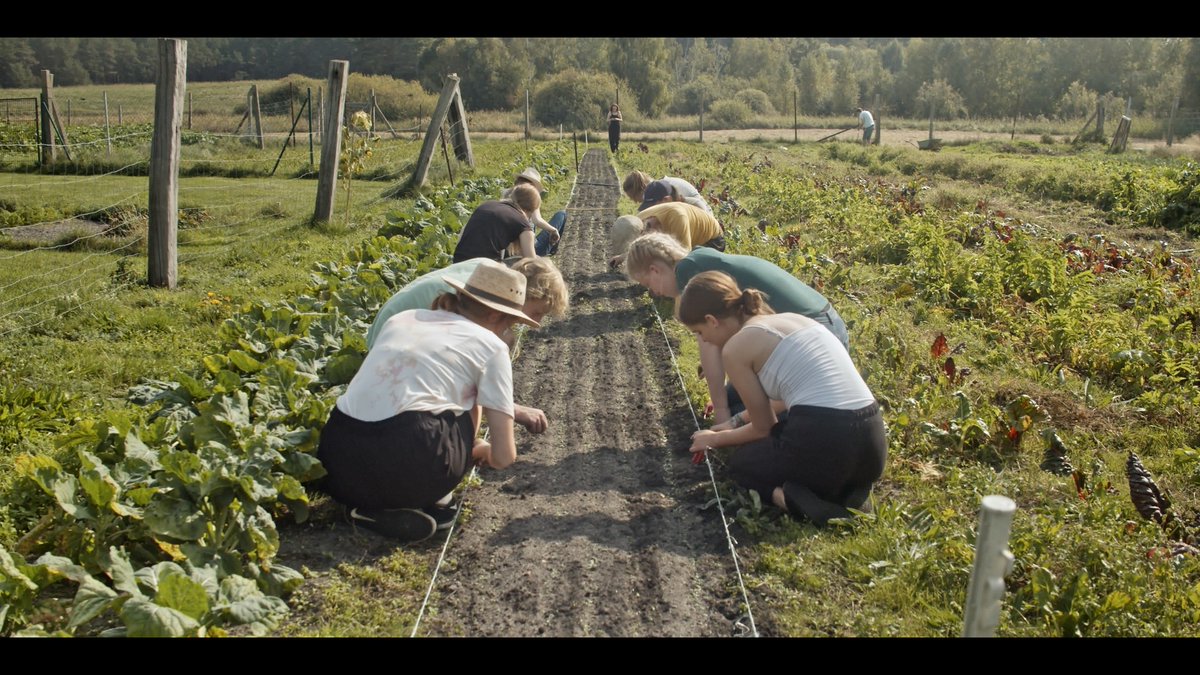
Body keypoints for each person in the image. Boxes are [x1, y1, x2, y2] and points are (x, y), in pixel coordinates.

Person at [317, 260, 540, 542]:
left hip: (336, 461)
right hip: (413, 460)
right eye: (513, 323)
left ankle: (370, 509)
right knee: (469, 400)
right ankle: (436, 499)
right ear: (498, 316)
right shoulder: (490, 345)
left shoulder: (404, 318)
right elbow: (505, 456)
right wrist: (480, 450)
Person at [679, 271, 886, 527]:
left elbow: (764, 428)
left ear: (711, 320)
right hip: (873, 445)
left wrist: (714, 439)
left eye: (699, 332)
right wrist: (734, 423)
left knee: (742, 464)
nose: (703, 340)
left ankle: (796, 501)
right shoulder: (792, 320)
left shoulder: (736, 349)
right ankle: (848, 492)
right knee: (787, 441)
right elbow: (798, 398)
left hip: (831, 439)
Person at [624, 232, 848, 424]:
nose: (652, 292)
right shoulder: (697, 259)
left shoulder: (689, 273)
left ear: (654, 270)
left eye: (647, 284)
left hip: (815, 336)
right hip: (826, 323)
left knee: (740, 413)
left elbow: (709, 347)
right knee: (735, 398)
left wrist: (722, 413)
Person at [366, 256, 570, 433]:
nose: (537, 323)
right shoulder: (480, 303)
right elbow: (468, 371)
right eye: (537, 313)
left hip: (388, 336)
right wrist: (512, 409)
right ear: (526, 294)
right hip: (389, 358)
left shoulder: (489, 275)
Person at [606, 202, 723, 267]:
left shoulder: (677, 219)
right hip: (683, 237)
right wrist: (622, 257)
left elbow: (684, 258)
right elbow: (639, 244)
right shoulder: (639, 220)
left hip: (710, 241)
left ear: (644, 231)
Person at [452, 183, 540, 263]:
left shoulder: (487, 204)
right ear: (529, 210)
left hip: (458, 261)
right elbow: (531, 263)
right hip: (482, 267)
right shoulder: (523, 223)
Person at [502, 167, 566, 256]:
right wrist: (553, 230)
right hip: (530, 251)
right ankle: (553, 248)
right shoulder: (530, 196)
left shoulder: (506, 194)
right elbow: (537, 220)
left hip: (507, 251)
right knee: (561, 214)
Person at [623, 171, 713, 215]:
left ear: (642, 188)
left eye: (633, 197)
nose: (635, 201)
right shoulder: (660, 189)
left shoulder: (667, 189)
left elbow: (699, 206)